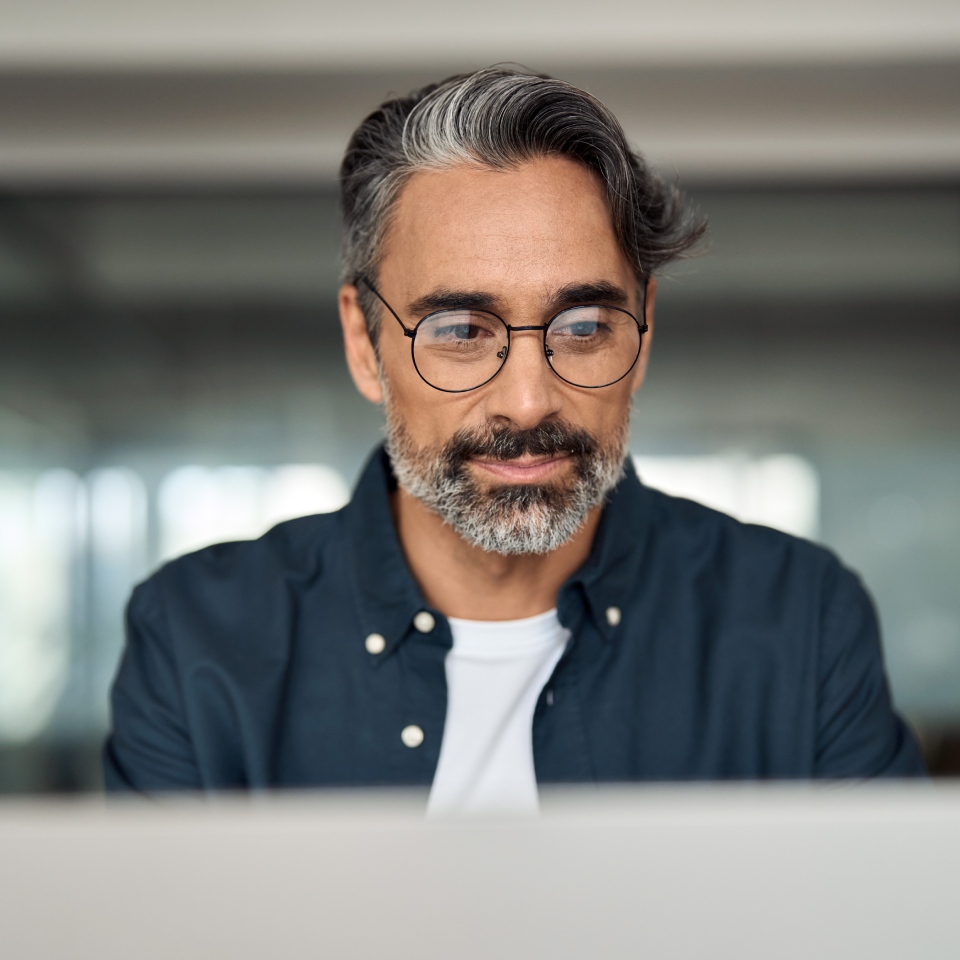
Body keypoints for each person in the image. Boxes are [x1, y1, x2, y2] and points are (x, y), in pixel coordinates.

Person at [104, 66, 926, 808]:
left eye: (583, 325)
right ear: (365, 344)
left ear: (642, 331)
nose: (529, 401)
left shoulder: (799, 622)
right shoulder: (198, 641)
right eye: (460, 328)